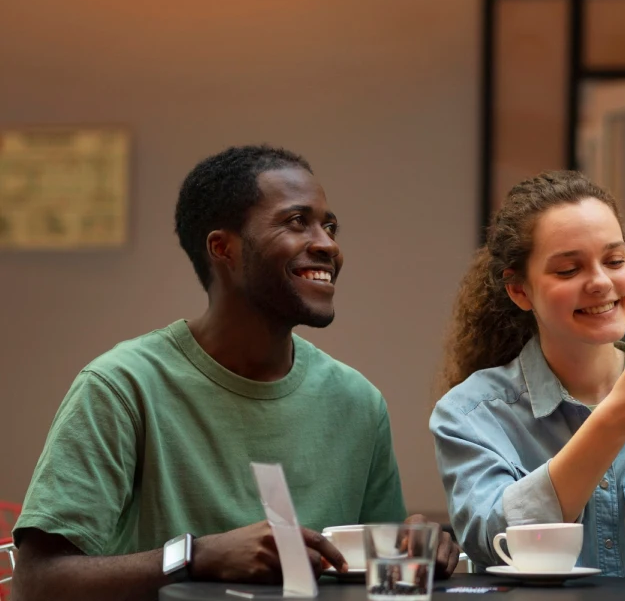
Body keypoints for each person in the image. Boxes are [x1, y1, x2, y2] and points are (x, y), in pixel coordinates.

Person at [11, 145, 459, 601]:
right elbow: (37, 582)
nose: (328, 244)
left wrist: (416, 546)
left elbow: (379, 579)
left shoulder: (357, 402)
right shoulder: (122, 387)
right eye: (296, 221)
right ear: (223, 248)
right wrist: (194, 556)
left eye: (329, 226)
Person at [429, 171, 625, 584]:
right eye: (568, 269)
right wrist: (611, 422)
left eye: (615, 260)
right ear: (520, 291)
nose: (601, 282)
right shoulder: (471, 413)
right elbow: (496, 543)